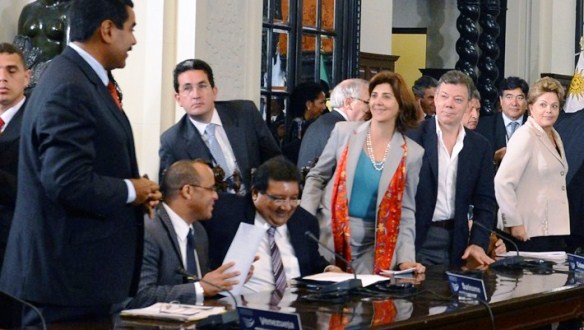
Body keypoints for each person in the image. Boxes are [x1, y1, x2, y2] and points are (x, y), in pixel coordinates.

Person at [0, 0, 162, 325]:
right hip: (64, 286)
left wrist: (134, 192)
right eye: (130, 29)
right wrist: (132, 189)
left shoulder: (81, 79)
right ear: (106, 30)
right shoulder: (69, 86)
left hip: (80, 283)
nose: (134, 40)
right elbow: (66, 181)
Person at [301, 71, 425, 275]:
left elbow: (406, 210)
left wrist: (406, 258)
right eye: (374, 96)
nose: (378, 102)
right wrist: (305, 219)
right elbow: (317, 176)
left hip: (375, 244)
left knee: (367, 303)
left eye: (386, 96)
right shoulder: (344, 132)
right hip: (328, 235)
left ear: (401, 104)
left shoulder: (412, 153)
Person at [204, 156, 342, 294]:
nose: (287, 207)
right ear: (255, 193)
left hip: (296, 309)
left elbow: (312, 260)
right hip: (241, 308)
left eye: (293, 198)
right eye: (278, 199)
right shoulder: (224, 213)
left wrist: (328, 269)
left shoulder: (304, 221)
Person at [407, 70, 496, 267]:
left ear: (467, 105)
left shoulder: (479, 146)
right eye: (444, 97)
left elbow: (486, 202)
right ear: (435, 99)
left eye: (458, 99)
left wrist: (478, 243)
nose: (449, 104)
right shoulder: (412, 137)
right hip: (416, 239)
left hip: (458, 241)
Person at [128, 160, 244, 308]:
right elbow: (140, 296)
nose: (216, 196)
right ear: (187, 191)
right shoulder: (149, 232)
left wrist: (228, 280)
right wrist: (200, 287)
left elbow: (201, 290)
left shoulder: (199, 232)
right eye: (211, 189)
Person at [159, 59, 281, 193]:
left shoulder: (245, 113)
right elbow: (170, 193)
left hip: (256, 205)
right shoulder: (172, 141)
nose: (196, 95)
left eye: (202, 86)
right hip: (210, 211)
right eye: (187, 88)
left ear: (214, 91)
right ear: (178, 99)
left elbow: (275, 161)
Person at [495, 77, 569, 251]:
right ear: (531, 107)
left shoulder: (555, 136)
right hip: (527, 231)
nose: (549, 111)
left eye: (554, 106)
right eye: (543, 105)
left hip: (551, 229)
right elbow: (502, 182)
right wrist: (514, 222)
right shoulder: (525, 135)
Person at [0, 43, 30, 272]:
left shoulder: (38, 121)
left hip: (16, 244)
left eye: (11, 71)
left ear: (26, 77)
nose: (3, 78)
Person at [297, 78, 369, 169]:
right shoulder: (338, 129)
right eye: (367, 102)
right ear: (348, 103)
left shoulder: (324, 122)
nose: (371, 109)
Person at [476, 76, 529, 168]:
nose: (514, 103)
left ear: (526, 102)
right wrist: (494, 158)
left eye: (520, 98)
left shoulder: (535, 126)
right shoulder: (483, 126)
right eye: (509, 97)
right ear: (501, 100)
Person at [282, 82, 327, 164]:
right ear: (309, 104)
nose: (324, 107)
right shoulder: (302, 127)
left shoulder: (292, 124)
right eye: (321, 103)